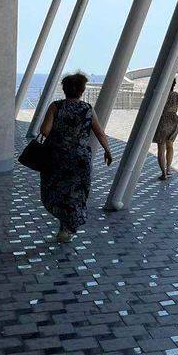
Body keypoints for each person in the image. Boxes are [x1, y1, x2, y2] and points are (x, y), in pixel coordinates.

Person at [40, 72, 112, 243]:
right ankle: (68, 228)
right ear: (82, 90)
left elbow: (44, 131)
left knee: (54, 191)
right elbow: (100, 133)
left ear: (64, 89)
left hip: (56, 158)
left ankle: (64, 226)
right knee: (76, 194)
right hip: (80, 160)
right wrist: (107, 151)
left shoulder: (55, 106)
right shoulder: (87, 109)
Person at [153, 80, 178, 180]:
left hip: (161, 121)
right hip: (173, 122)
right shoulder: (177, 96)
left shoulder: (160, 95)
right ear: (173, 85)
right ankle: (168, 169)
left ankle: (163, 173)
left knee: (161, 148)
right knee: (170, 146)